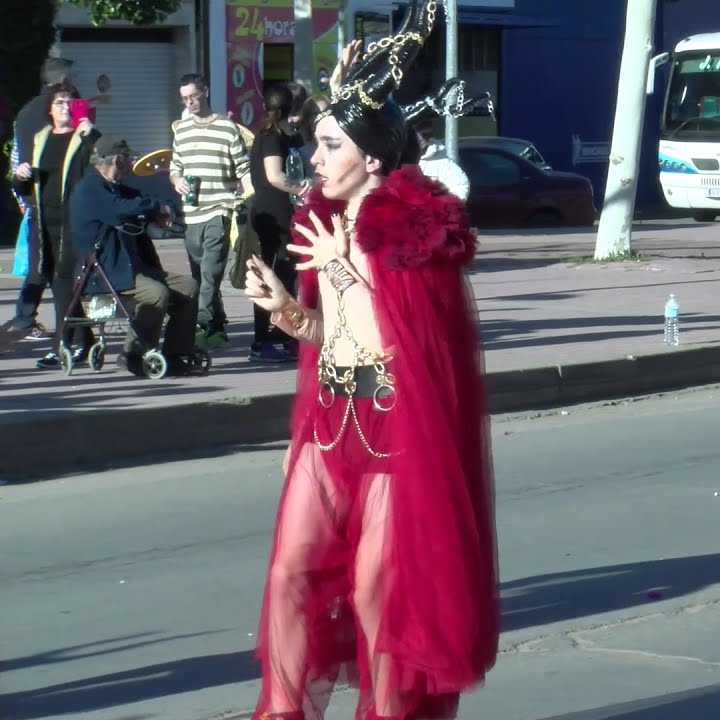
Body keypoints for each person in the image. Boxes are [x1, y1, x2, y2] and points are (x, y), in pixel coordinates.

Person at [242, 4, 498, 717]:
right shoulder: (324, 222)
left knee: (377, 592)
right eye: (315, 146)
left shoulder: (415, 226)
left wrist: (348, 269)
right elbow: (330, 334)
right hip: (330, 419)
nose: (314, 160)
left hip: (397, 427)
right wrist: (285, 311)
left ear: (372, 158)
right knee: (291, 572)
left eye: (328, 146)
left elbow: (415, 344)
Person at [69, 135, 201, 376]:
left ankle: (176, 353)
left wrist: (163, 208)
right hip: (104, 272)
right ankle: (133, 353)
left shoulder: (113, 186)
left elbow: (140, 199)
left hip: (129, 267)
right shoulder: (90, 189)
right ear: (117, 161)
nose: (131, 165)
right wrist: (154, 208)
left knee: (189, 286)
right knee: (156, 293)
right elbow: (123, 208)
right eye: (128, 160)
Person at [12, 81, 101, 370]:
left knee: (65, 282)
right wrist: (20, 176)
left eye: (69, 102)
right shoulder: (41, 138)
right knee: (53, 281)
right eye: (59, 102)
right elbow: (26, 187)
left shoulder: (83, 138)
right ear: (50, 109)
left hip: (72, 222)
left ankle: (60, 345)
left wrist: (91, 134)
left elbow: (102, 168)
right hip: (43, 222)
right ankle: (84, 340)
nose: (64, 107)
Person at [170, 73, 251, 349]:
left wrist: (249, 203)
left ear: (205, 92)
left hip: (220, 209)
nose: (190, 102)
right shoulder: (181, 130)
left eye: (193, 96)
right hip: (192, 212)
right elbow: (175, 167)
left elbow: (244, 169)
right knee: (199, 276)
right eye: (185, 98)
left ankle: (200, 326)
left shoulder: (228, 128)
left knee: (210, 272)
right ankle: (217, 327)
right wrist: (177, 180)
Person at [9, 57, 73, 338]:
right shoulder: (59, 112)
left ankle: (26, 316)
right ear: (61, 80)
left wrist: (22, 193)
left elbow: (17, 158)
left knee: (40, 263)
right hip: (55, 195)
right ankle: (62, 323)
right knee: (58, 265)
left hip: (32, 194)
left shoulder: (24, 113)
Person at [248, 83, 311, 363]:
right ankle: (263, 341)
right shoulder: (271, 136)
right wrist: (301, 188)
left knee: (284, 276)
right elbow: (275, 176)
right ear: (290, 111)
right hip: (272, 213)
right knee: (272, 275)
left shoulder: (282, 135)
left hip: (278, 211)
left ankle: (284, 337)